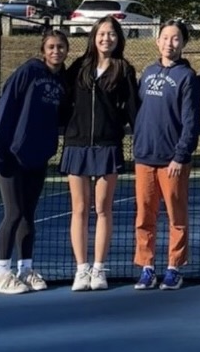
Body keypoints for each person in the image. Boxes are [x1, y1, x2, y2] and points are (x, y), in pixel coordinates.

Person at [0, 30, 70, 294]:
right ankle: (1, 275)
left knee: (28, 216)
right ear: (43, 50)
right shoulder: (28, 72)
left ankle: (25, 269)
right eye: (51, 47)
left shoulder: (62, 82)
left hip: (38, 158)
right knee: (13, 213)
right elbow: (6, 109)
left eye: (61, 47)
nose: (56, 51)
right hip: (11, 156)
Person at [61, 17, 138, 292]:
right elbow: (61, 100)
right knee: (79, 209)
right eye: (102, 33)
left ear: (118, 39)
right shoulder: (78, 67)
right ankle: (81, 269)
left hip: (108, 145)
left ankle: (99, 268)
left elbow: (133, 110)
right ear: (94, 36)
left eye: (112, 34)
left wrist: (142, 136)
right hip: (76, 145)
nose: (107, 38)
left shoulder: (124, 69)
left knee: (103, 209)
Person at [132, 19, 200, 291]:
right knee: (144, 217)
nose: (169, 43)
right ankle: (147, 267)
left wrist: (180, 156)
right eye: (165, 38)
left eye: (175, 39)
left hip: (173, 161)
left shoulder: (187, 78)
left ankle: (174, 267)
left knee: (176, 216)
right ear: (157, 40)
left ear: (183, 44)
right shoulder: (147, 73)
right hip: (144, 158)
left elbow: (190, 122)